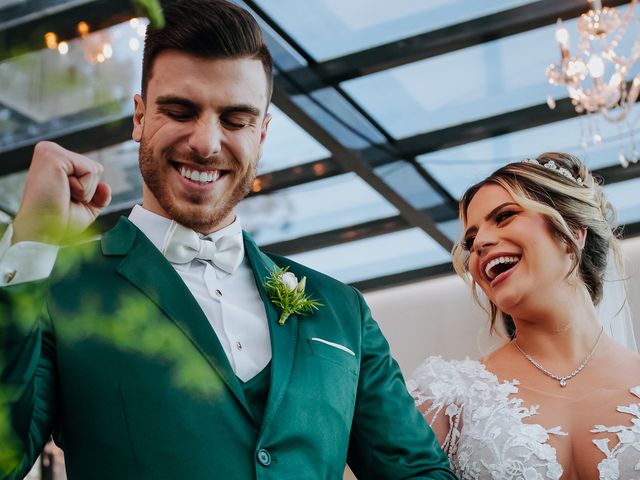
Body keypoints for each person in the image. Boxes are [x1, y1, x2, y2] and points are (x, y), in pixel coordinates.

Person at [0, 1, 457, 479]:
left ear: (262, 134)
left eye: (236, 120)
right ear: (139, 117)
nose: (207, 143)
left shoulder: (342, 310)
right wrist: (32, 242)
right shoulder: (58, 287)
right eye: (180, 111)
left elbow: (418, 472)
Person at [408, 152, 640, 479]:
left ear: (573, 230)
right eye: (471, 240)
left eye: (504, 216)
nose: (480, 245)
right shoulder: (445, 397)